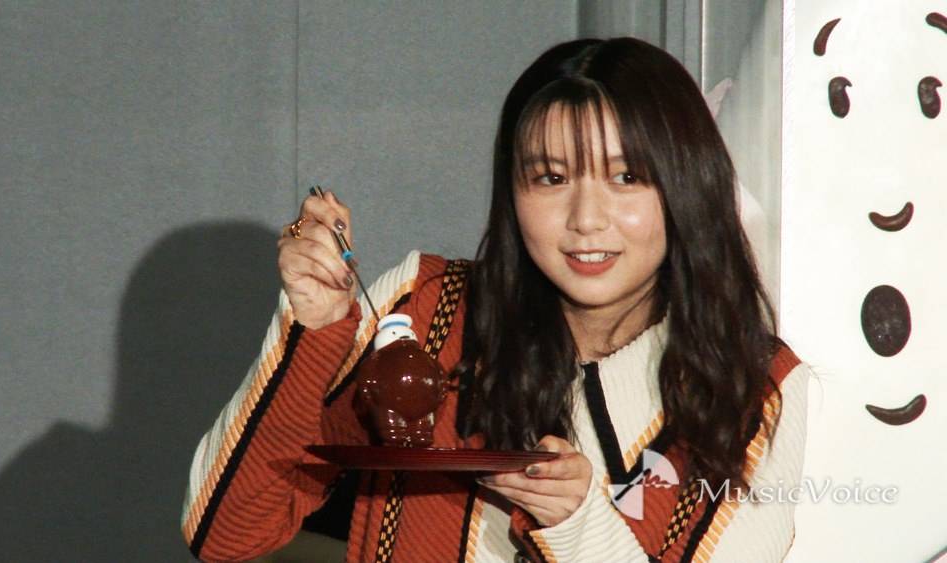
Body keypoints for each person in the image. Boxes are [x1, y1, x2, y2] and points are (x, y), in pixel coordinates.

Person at [180, 37, 809, 563]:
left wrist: (578, 524)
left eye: (626, 177)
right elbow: (227, 534)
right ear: (512, 190)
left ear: (687, 185)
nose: (586, 219)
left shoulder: (756, 388)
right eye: (551, 178)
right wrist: (312, 331)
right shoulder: (424, 310)